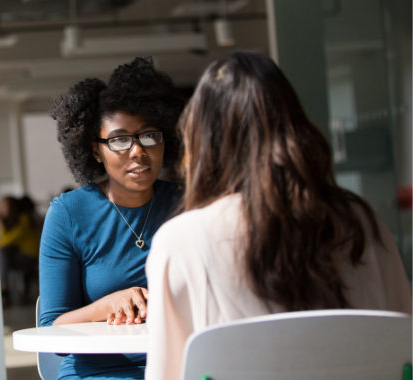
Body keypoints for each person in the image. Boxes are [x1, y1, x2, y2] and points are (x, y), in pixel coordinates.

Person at [144, 52, 412, 380]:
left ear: (203, 142)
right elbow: (404, 350)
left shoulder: (182, 241)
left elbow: (165, 374)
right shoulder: (362, 222)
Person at [39, 57, 186, 380]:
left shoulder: (186, 204)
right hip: (98, 373)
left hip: (180, 366)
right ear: (95, 151)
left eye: (149, 136)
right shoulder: (69, 214)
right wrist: (108, 305)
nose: (138, 151)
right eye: (120, 140)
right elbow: (51, 330)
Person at [0, 196, 40, 306]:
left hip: (29, 257)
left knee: (2, 253)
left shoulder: (24, 219)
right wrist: (2, 224)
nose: (1, 210)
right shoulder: (9, 222)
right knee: (2, 254)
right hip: (18, 255)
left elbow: (9, 240)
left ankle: (4, 288)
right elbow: (5, 239)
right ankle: (4, 289)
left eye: (3, 207)